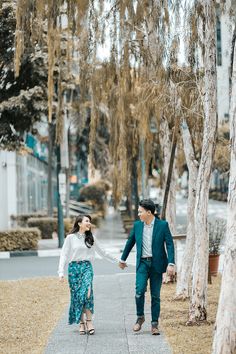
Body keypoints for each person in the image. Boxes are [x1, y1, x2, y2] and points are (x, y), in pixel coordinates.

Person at [119, 199, 175, 335]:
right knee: (139, 292)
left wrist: (171, 263)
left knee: (155, 295)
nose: (138, 214)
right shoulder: (138, 226)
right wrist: (122, 259)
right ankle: (140, 317)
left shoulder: (162, 225)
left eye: (140, 212)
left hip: (157, 264)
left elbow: (169, 244)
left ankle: (154, 324)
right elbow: (130, 242)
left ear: (149, 212)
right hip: (142, 264)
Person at [58, 214, 117, 335]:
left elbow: (103, 252)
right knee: (77, 296)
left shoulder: (91, 238)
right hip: (73, 269)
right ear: (79, 223)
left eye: (89, 221)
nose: (89, 223)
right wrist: (60, 272)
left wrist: (118, 261)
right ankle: (81, 323)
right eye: (86, 221)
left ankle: (89, 321)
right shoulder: (70, 238)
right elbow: (63, 255)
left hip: (86, 267)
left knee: (87, 293)